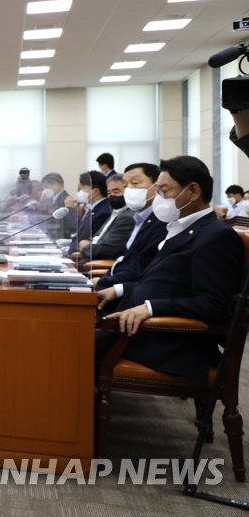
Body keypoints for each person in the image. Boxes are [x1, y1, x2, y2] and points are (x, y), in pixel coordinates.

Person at [95, 156, 244, 381]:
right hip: (131, 324)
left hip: (162, 339)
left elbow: (214, 304)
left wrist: (151, 308)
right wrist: (119, 289)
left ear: (193, 191)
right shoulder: (179, 228)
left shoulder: (216, 236)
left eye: (164, 191)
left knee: (64, 343)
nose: (158, 198)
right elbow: (163, 282)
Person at [95, 163, 167, 293]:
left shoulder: (161, 221)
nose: (129, 190)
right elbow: (127, 261)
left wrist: (104, 283)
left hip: (130, 292)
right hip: (116, 281)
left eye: (135, 183)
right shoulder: (139, 218)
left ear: (157, 186)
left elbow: (140, 269)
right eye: (126, 185)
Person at [72, 174, 135, 262]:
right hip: (89, 259)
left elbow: (107, 249)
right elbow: (97, 238)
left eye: (116, 192)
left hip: (97, 264)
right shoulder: (114, 211)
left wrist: (85, 247)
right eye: (109, 193)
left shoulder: (126, 217)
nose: (112, 195)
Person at [66, 170, 110, 253]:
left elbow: (89, 240)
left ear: (95, 191)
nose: (80, 192)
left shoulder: (104, 212)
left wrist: (70, 250)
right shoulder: (91, 208)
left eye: (83, 188)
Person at [38, 173, 77, 240]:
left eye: (47, 187)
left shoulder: (66, 200)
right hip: (53, 235)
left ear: (56, 184)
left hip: (62, 237)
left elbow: (71, 223)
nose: (45, 190)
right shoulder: (53, 199)